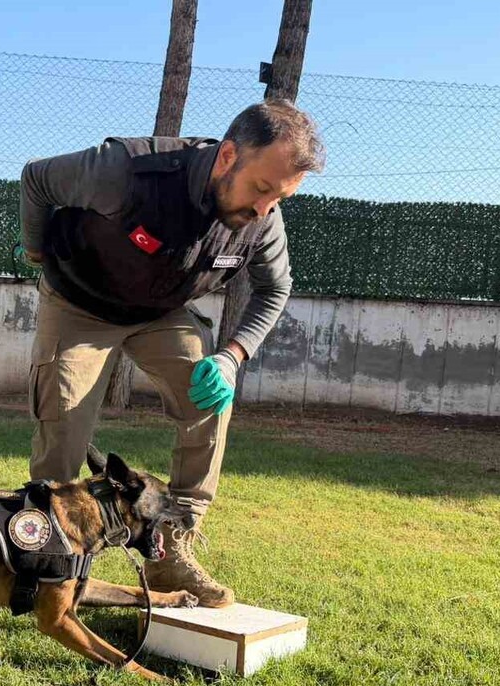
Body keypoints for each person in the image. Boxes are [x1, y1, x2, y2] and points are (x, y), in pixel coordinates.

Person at [17, 100, 325, 607]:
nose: (265, 208)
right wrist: (35, 249)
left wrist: (232, 355)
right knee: (64, 431)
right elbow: (36, 179)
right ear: (227, 156)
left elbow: (276, 289)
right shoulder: (126, 172)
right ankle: (49, 563)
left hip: (160, 312)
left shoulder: (263, 222)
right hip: (78, 304)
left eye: (281, 197)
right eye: (262, 189)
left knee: (209, 398)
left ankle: (169, 550)